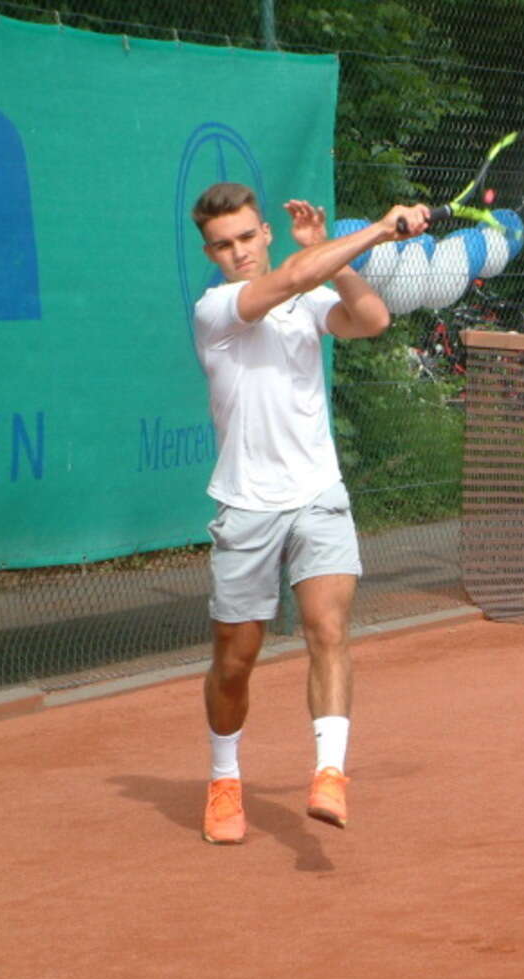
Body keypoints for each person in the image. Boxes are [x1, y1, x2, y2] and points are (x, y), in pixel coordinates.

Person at [189, 182, 429, 845]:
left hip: (319, 493)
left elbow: (372, 319)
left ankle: (329, 772)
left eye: (247, 237)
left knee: (328, 628)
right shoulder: (217, 308)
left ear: (265, 233)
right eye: (223, 245)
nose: (238, 252)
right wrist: (377, 229)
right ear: (211, 254)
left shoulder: (309, 298)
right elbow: (293, 277)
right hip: (247, 506)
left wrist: (334, 254)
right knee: (235, 660)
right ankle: (224, 778)